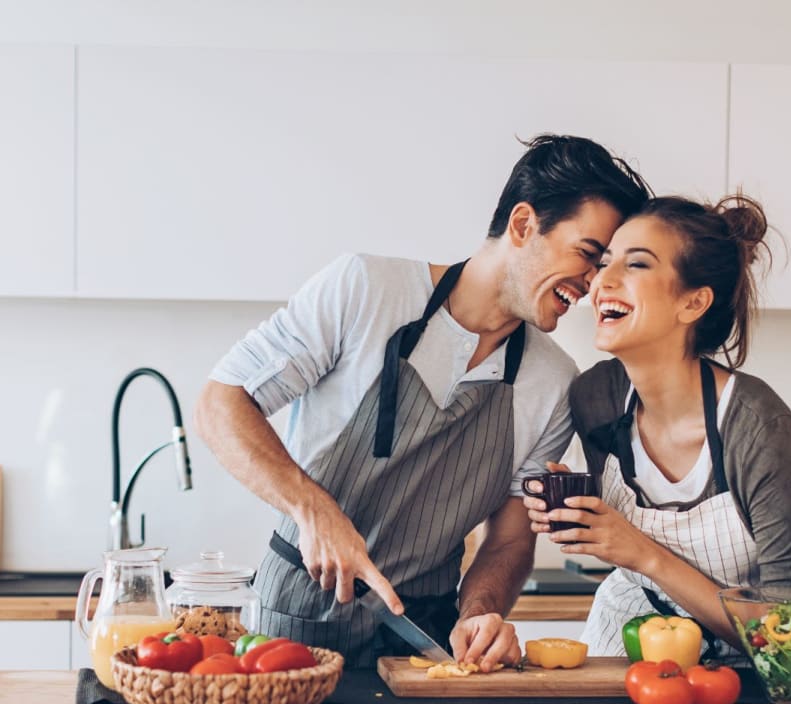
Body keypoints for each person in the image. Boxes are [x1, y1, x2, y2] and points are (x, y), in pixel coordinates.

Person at [194, 134, 651, 672]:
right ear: (524, 224)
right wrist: (312, 508)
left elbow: (508, 539)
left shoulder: (552, 381)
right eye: (588, 255)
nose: (597, 284)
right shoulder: (365, 289)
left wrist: (479, 613)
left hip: (425, 635)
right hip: (297, 621)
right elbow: (220, 402)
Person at [524, 193, 791, 657]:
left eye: (637, 265)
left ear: (693, 303)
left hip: (743, 672)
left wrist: (640, 551)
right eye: (604, 263)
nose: (603, 280)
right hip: (621, 643)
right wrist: (577, 510)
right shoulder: (596, 396)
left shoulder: (759, 427)